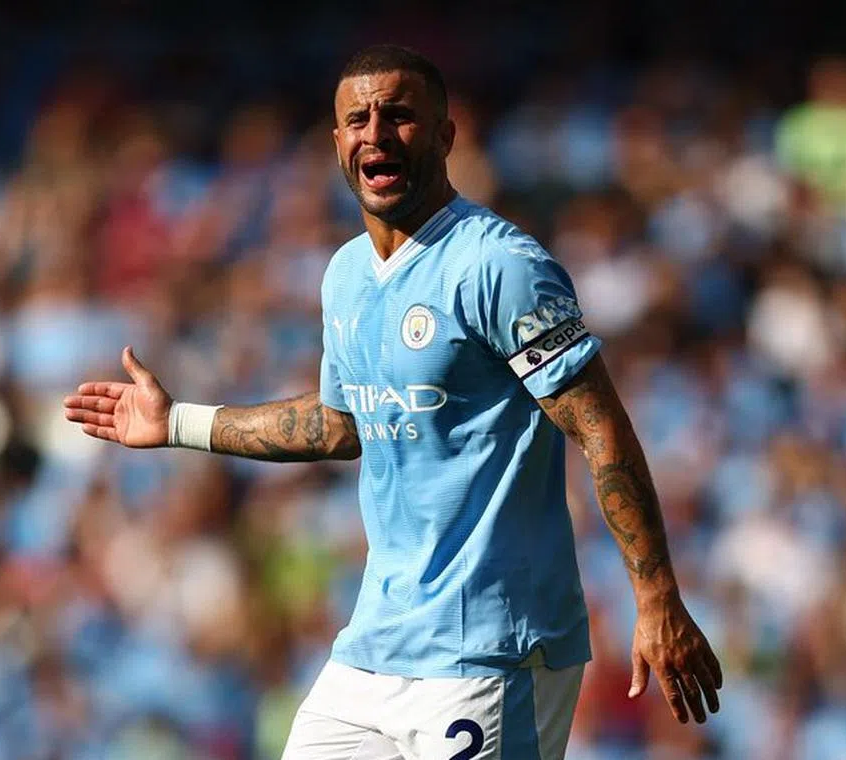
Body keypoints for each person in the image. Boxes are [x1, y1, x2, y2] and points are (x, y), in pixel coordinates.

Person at [63, 44, 721, 760]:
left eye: (399, 115)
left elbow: (600, 428)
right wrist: (178, 422)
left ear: (444, 135)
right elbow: (338, 425)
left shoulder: (499, 265)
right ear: (337, 142)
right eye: (358, 120)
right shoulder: (346, 274)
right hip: (375, 647)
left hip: (490, 649)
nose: (376, 133)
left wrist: (656, 597)